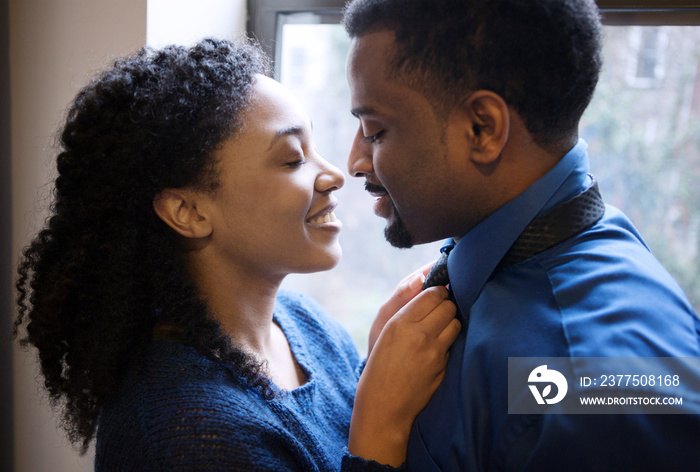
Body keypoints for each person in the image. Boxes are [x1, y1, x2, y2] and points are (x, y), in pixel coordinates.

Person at [13, 38, 461, 471]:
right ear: (187, 210)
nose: (334, 175)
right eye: (291, 159)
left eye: (316, 148)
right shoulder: (188, 437)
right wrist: (381, 426)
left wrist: (373, 367)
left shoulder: (307, 325)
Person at [343, 0, 700, 470]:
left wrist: (375, 444)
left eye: (375, 131)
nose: (354, 162)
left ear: (482, 129)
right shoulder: (530, 244)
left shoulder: (589, 394)